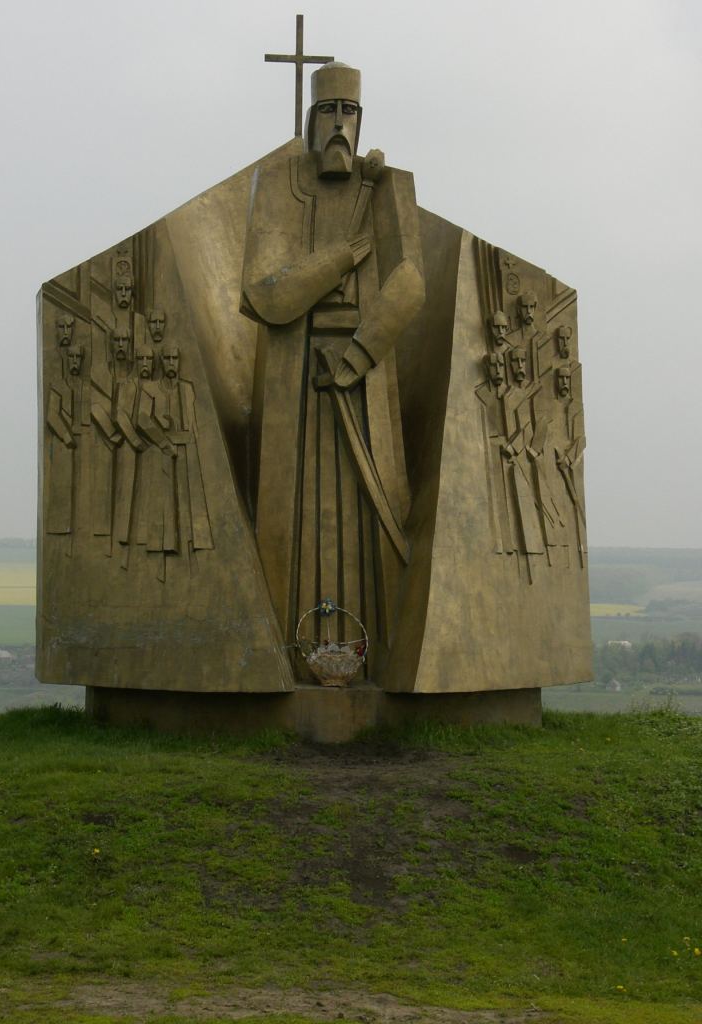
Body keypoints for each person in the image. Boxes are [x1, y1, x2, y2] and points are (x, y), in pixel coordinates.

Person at [240, 61, 425, 669]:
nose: (340, 124)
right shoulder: (277, 185)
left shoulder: (387, 186)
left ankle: (379, 658)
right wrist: (339, 260)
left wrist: (360, 354)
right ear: (311, 119)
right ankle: (280, 657)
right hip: (294, 378)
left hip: (363, 378)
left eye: (350, 112)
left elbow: (409, 281)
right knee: (287, 524)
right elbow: (265, 295)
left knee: (371, 522)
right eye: (328, 111)